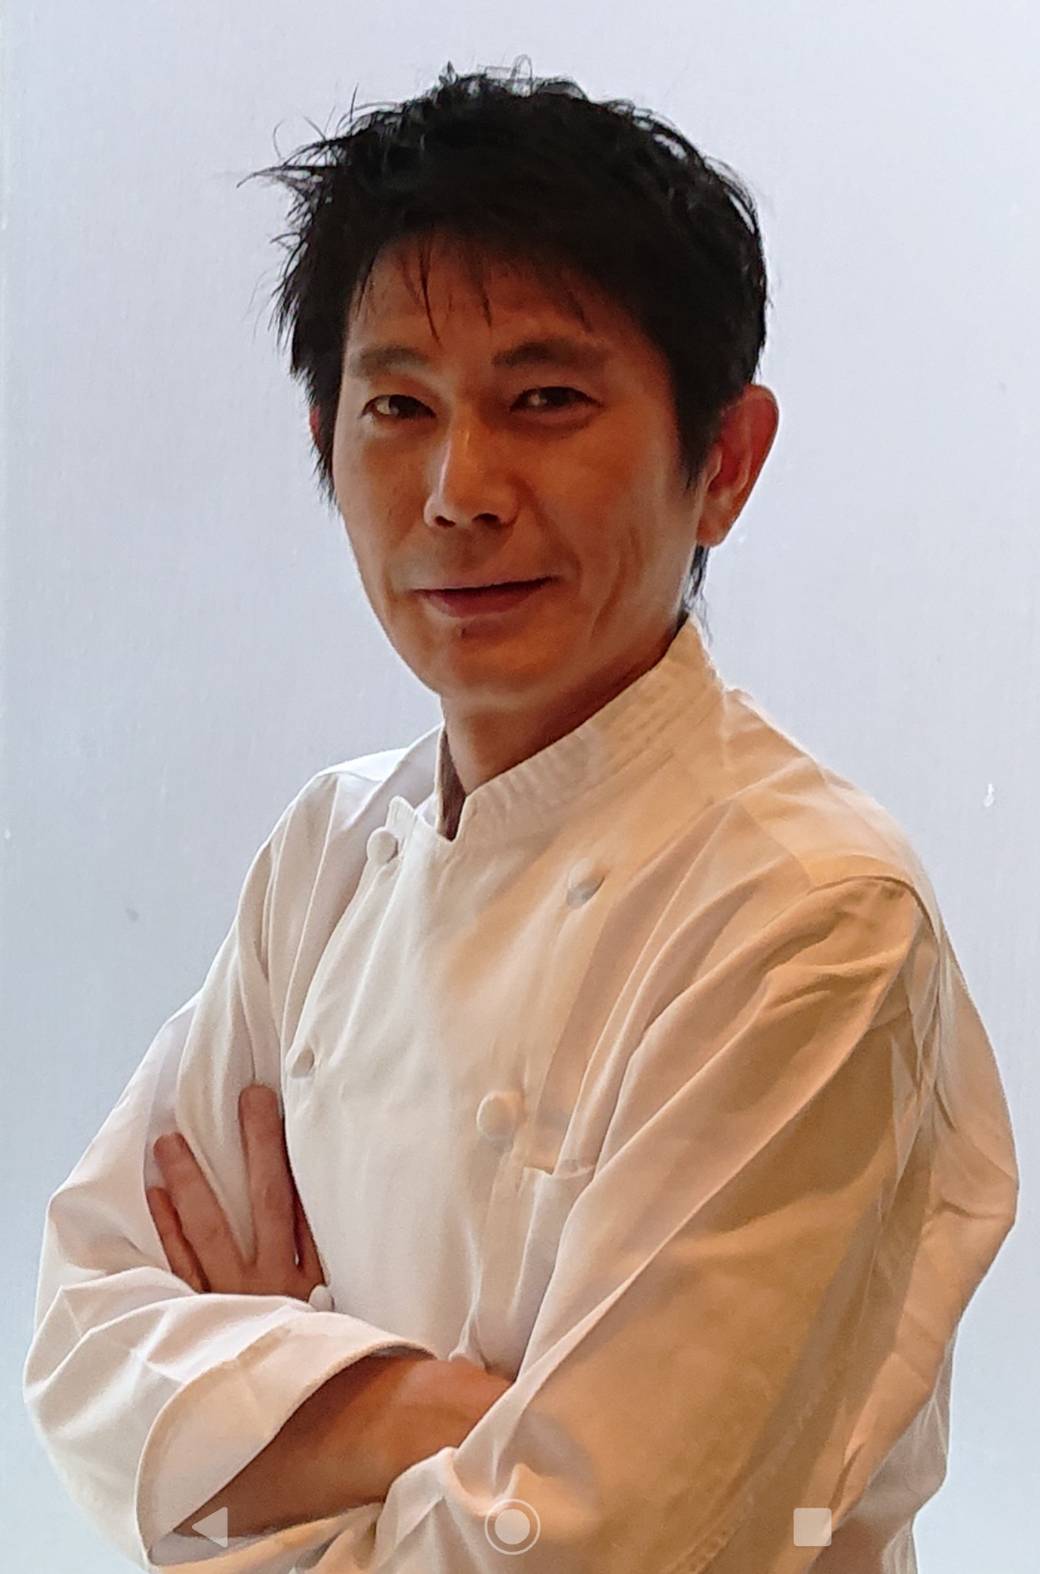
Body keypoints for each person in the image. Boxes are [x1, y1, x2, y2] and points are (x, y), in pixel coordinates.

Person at [23, 59, 1018, 1574]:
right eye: (398, 406)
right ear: (325, 440)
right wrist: (425, 1415)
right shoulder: (328, 854)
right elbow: (81, 1341)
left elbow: (592, 1548)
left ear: (725, 462)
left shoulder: (809, 916)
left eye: (546, 399)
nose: (459, 490)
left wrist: (260, 1421)